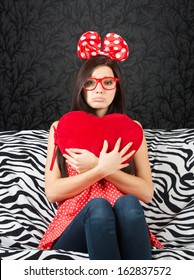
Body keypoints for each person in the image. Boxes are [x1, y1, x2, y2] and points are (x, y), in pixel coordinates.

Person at [38, 31, 163, 259]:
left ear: (116, 87)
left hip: (123, 224)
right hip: (73, 228)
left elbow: (146, 192)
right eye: (90, 82)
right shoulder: (61, 127)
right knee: (99, 206)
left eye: (107, 82)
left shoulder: (132, 129)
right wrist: (100, 169)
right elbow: (52, 192)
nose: (99, 89)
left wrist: (102, 166)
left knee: (128, 203)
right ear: (81, 86)